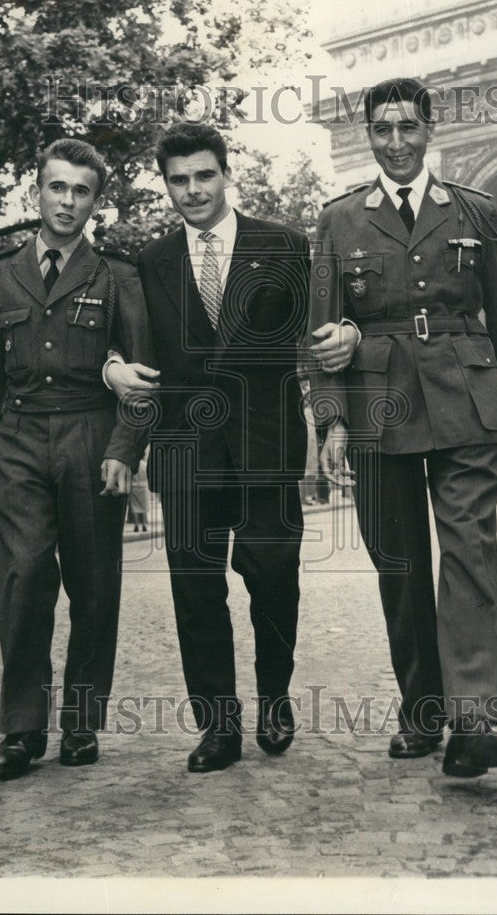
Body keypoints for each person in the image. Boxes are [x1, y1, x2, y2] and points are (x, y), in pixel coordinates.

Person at [309, 78, 497, 778]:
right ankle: (422, 711)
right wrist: (330, 419)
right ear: (367, 137)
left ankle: (479, 720)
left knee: (469, 551)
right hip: (378, 402)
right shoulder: (340, 220)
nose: (396, 142)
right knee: (401, 565)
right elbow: (319, 333)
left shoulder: (473, 210)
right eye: (382, 130)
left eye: (408, 128)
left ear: (430, 130)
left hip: (467, 401)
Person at [105, 122, 310, 772]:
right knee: (196, 593)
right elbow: (137, 356)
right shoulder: (151, 264)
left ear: (226, 172)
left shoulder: (284, 246)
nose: (193, 191)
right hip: (187, 450)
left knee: (274, 582)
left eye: (204, 175)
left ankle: (275, 696)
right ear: (166, 185)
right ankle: (218, 727)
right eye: (178, 180)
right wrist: (115, 369)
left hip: (267, 446)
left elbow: (318, 337)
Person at [0, 138, 154, 779]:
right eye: (56, 187)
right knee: (22, 582)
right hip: (18, 441)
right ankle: (21, 728)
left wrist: (126, 450)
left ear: (96, 202)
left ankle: (81, 725)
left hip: (92, 439)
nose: (67, 201)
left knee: (94, 587)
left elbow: (141, 374)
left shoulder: (118, 276)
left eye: (81, 191)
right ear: (35, 192)